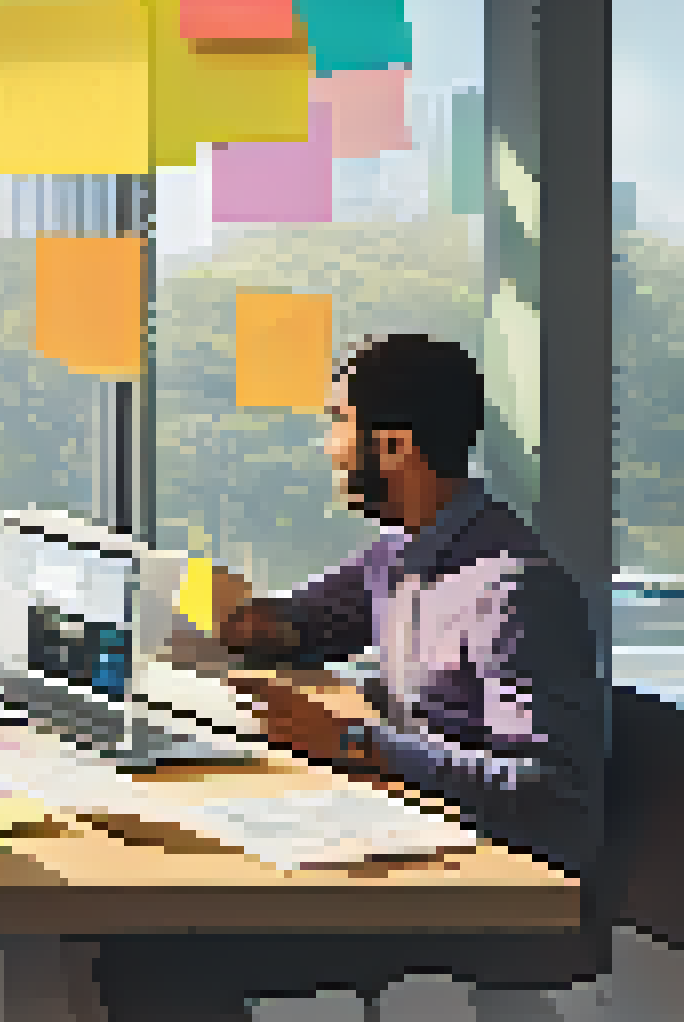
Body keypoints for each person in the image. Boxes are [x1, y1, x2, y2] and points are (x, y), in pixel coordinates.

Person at [88, 335, 607, 1021]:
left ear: (394, 447)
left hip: (481, 880)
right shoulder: (401, 552)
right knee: (138, 913)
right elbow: (298, 623)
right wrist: (232, 620)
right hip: (402, 832)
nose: (326, 444)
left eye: (337, 421)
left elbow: (553, 797)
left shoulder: (512, 589)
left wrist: (357, 744)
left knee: (156, 957)